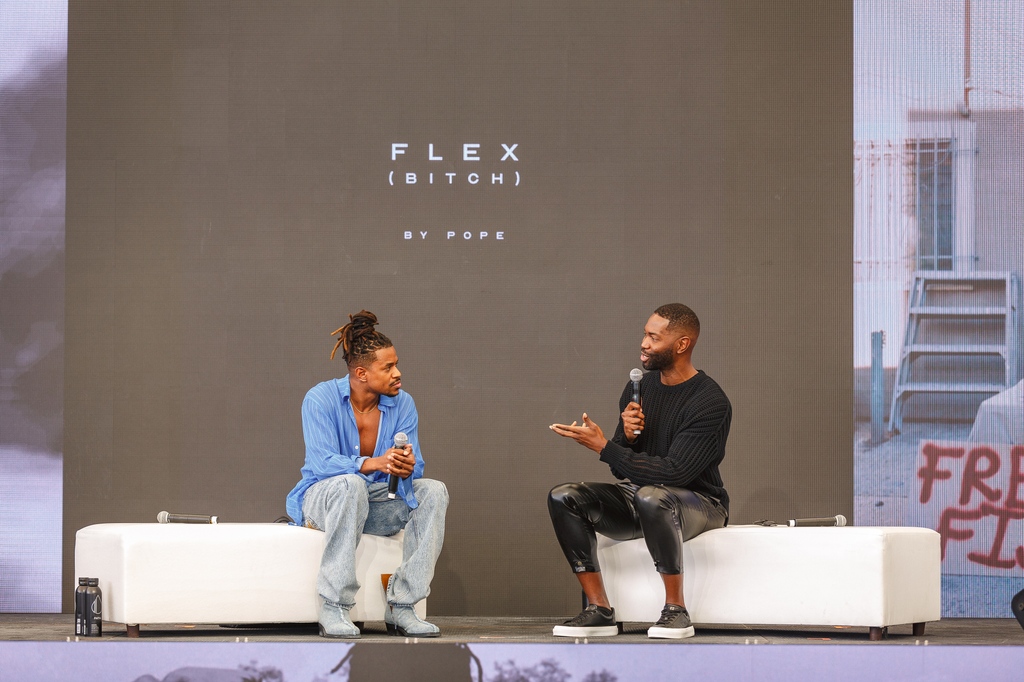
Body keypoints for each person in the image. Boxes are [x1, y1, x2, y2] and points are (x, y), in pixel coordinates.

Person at [547, 303, 731, 639]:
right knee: (565, 496)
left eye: (653, 337)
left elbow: (675, 473)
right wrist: (626, 436)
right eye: (644, 334)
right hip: (648, 497)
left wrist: (606, 446)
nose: (643, 343)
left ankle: (676, 611)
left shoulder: (710, 401)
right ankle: (599, 608)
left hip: (701, 503)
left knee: (652, 496)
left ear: (682, 344)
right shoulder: (640, 389)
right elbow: (625, 471)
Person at [286, 310, 448, 638]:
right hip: (324, 502)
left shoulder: (403, 404)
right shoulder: (319, 399)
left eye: (396, 363)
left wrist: (405, 467)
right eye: (388, 367)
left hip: (373, 503)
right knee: (350, 484)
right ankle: (334, 604)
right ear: (361, 372)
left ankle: (404, 605)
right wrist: (373, 463)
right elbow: (322, 463)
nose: (398, 373)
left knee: (433, 490)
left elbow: (415, 470)